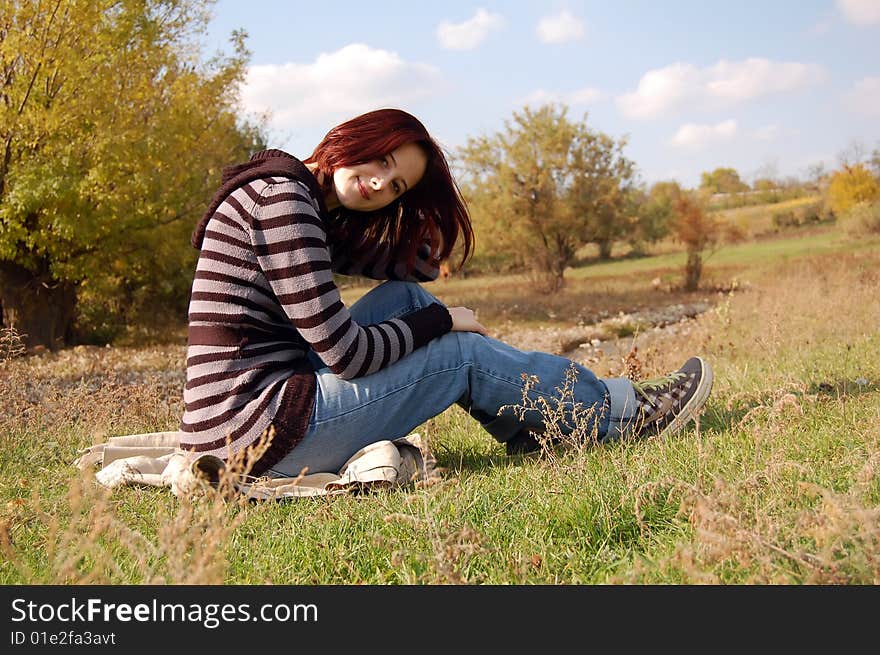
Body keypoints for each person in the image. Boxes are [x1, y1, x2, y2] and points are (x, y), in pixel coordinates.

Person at [179, 108, 713, 478]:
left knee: (408, 299)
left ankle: (539, 429)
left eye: (396, 187)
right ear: (356, 137)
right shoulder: (285, 202)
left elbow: (371, 263)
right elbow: (343, 354)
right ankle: (621, 414)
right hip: (259, 436)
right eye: (382, 160)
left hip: (249, 419)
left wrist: (418, 245)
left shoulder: (287, 192)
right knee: (457, 351)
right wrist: (443, 323)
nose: (378, 183)